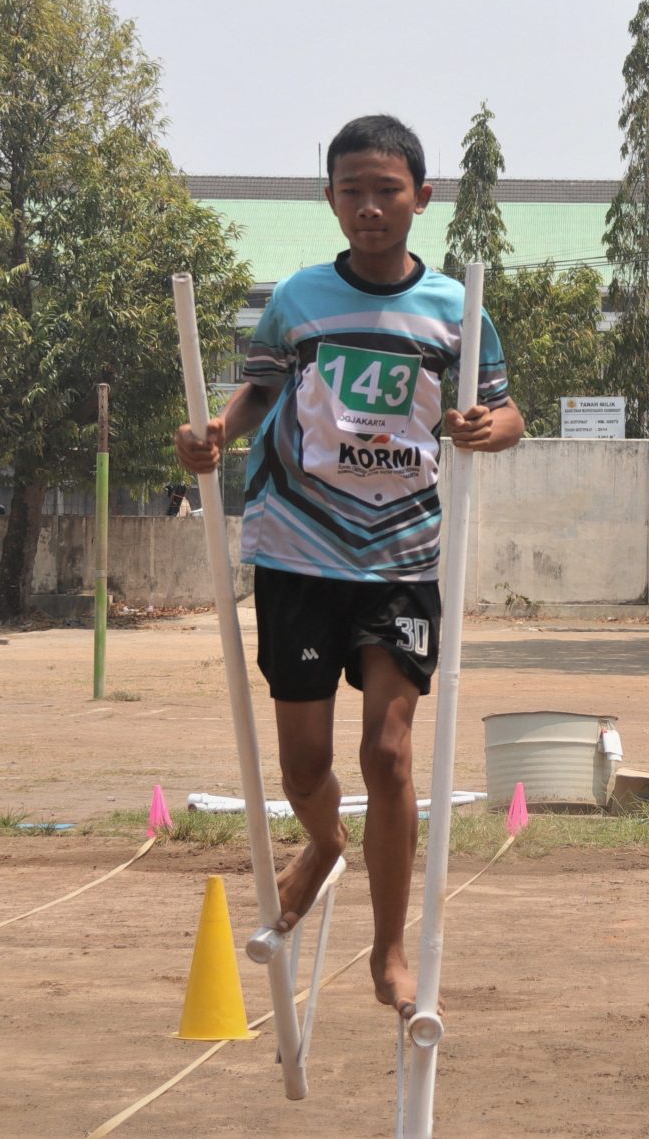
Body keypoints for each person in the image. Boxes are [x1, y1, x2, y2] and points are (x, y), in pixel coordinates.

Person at [175, 114, 524, 1016]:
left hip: (402, 556)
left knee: (391, 753)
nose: (369, 208)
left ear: (422, 196)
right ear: (328, 196)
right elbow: (259, 388)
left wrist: (491, 427)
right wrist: (217, 432)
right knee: (301, 765)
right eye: (352, 191)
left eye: (387, 190)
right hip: (296, 549)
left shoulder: (458, 307)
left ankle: (390, 948)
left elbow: (506, 410)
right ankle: (323, 842)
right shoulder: (296, 298)